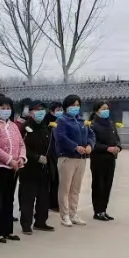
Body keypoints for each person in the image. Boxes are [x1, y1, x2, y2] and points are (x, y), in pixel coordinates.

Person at [0, 97, 26, 243]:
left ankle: (7, 230)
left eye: (8, 108)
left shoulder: (14, 125)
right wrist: (9, 160)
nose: (6, 111)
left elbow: (21, 144)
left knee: (9, 199)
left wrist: (21, 158)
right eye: (2, 108)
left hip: (13, 168)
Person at [54, 94, 95, 227]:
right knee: (65, 189)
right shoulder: (61, 120)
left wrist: (89, 145)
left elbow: (91, 135)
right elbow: (60, 137)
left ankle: (73, 213)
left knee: (75, 189)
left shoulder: (82, 120)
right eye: (73, 105)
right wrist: (75, 147)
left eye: (77, 105)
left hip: (81, 159)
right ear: (66, 106)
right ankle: (65, 215)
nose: (75, 108)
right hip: (68, 158)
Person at [18, 101, 55, 234]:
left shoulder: (45, 127)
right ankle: (26, 224)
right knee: (28, 198)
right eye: (37, 109)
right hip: (29, 168)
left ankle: (41, 221)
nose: (40, 112)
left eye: (42, 109)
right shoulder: (25, 127)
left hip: (44, 169)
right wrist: (36, 157)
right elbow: (21, 147)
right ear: (30, 112)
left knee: (43, 197)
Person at [89, 101, 122, 221]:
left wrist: (118, 147)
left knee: (107, 185)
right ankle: (97, 211)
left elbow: (117, 139)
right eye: (103, 109)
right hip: (99, 159)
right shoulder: (93, 125)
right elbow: (93, 143)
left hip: (111, 159)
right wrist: (107, 148)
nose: (106, 111)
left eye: (107, 108)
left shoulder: (111, 124)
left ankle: (103, 210)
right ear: (97, 111)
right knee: (99, 185)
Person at [45, 103, 63, 212]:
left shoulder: (61, 121)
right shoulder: (47, 122)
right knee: (50, 179)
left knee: (57, 180)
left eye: (61, 109)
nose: (60, 112)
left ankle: (55, 203)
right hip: (49, 155)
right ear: (51, 111)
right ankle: (49, 203)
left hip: (59, 154)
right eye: (58, 110)